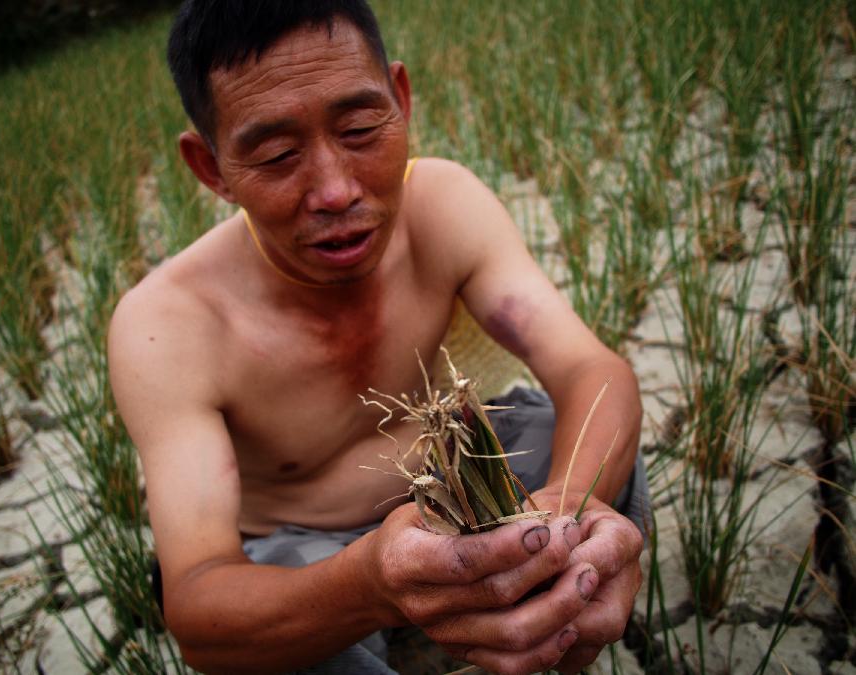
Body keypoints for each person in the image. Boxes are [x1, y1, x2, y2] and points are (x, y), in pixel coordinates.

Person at [107, 1, 647, 673]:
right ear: (212, 168)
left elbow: (592, 371)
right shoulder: (168, 326)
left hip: (456, 473)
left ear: (401, 98)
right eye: (276, 156)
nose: (335, 190)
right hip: (299, 549)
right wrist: (370, 581)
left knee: (582, 447)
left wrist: (560, 517)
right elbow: (197, 600)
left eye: (361, 129)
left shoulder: (444, 205)